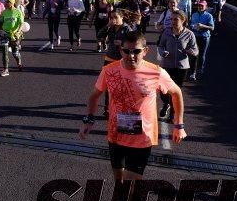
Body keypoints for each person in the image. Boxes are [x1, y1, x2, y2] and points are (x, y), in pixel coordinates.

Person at [79, 31, 187, 181]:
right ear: (120, 50)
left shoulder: (156, 72)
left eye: (136, 51)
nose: (131, 56)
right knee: (119, 179)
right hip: (116, 136)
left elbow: (176, 93)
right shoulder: (109, 70)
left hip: (142, 139)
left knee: (132, 183)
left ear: (145, 51)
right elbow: (94, 96)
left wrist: (179, 125)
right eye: (126, 51)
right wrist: (88, 120)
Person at [157, 10, 198, 122]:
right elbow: (160, 46)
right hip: (167, 65)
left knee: (176, 92)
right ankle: (166, 103)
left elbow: (195, 51)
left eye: (176, 19)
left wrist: (190, 51)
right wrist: (163, 52)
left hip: (181, 67)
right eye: (171, 19)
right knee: (163, 90)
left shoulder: (189, 34)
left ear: (183, 20)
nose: (173, 22)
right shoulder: (166, 32)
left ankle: (172, 115)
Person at [96, 11, 135, 117]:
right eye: (111, 17)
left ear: (121, 17)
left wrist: (122, 43)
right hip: (109, 59)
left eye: (115, 17)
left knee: (123, 85)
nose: (113, 19)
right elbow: (99, 35)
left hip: (122, 60)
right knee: (109, 85)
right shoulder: (111, 27)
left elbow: (133, 43)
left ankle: (122, 107)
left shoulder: (127, 29)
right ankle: (107, 109)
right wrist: (107, 26)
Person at [187, 0, 214, 81]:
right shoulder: (194, 14)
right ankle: (193, 72)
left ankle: (200, 68)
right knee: (194, 54)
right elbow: (190, 24)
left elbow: (212, 27)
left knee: (202, 54)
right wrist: (193, 26)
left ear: (205, 7)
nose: (200, 7)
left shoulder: (209, 16)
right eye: (199, 5)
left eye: (202, 6)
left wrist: (202, 26)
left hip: (204, 37)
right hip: (195, 36)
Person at [0, 0, 24, 77]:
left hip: (14, 34)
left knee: (15, 53)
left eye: (8, 2)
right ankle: (5, 69)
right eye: (6, 2)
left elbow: (21, 23)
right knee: (4, 51)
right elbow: (1, 22)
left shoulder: (18, 12)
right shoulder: (4, 12)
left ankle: (19, 62)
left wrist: (18, 32)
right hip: (5, 33)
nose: (6, 4)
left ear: (12, 3)